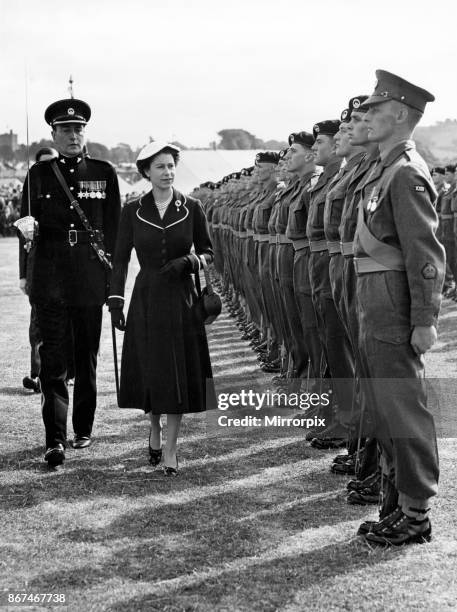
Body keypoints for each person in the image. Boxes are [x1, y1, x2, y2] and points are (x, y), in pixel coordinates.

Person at [353, 70, 445, 545]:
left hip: (393, 308)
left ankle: (416, 514)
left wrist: (425, 319)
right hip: (375, 305)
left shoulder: (407, 172)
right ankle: (395, 502)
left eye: (374, 108)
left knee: (402, 409)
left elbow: (425, 256)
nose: (366, 114)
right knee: (384, 408)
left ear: (399, 114)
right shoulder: (385, 168)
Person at [18, 98, 121, 467]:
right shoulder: (38, 175)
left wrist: (115, 284)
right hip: (50, 276)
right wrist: (26, 228)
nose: (73, 135)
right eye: (65, 130)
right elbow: (25, 222)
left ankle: (83, 427)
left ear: (84, 133)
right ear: (53, 134)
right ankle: (54, 439)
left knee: (86, 357)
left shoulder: (104, 172)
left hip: (89, 277)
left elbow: (114, 232)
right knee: (52, 360)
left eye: (78, 129)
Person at [108, 142, 214, 476]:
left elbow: (209, 252)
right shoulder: (132, 211)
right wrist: (115, 301)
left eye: (171, 166)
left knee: (177, 371)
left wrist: (189, 261)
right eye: (160, 167)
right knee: (153, 369)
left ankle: (170, 448)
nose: (168, 173)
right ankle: (153, 429)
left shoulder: (192, 207)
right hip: (147, 297)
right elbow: (121, 258)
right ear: (146, 172)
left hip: (182, 298)